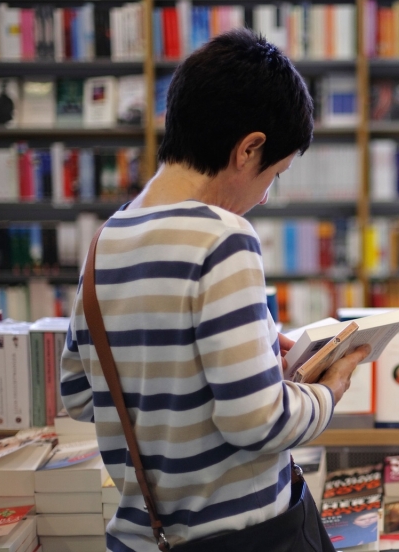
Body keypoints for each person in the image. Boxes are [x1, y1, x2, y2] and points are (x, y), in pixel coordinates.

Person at [60, 29, 368, 552]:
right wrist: (328, 391)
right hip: (241, 539)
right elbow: (258, 424)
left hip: (143, 538)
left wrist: (243, 363)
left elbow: (79, 395)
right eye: (275, 173)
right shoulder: (224, 237)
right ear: (249, 149)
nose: (265, 197)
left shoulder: (107, 239)